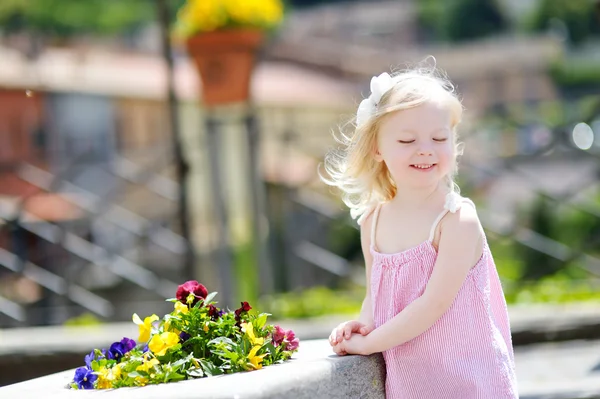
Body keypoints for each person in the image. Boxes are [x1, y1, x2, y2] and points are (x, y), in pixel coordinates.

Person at [320, 63, 518, 398]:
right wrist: (361, 326)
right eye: (407, 139)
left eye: (439, 138)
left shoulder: (456, 220)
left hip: (471, 383)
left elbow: (433, 304)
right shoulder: (372, 222)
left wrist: (369, 343)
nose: (425, 148)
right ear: (377, 148)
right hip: (412, 385)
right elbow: (375, 295)